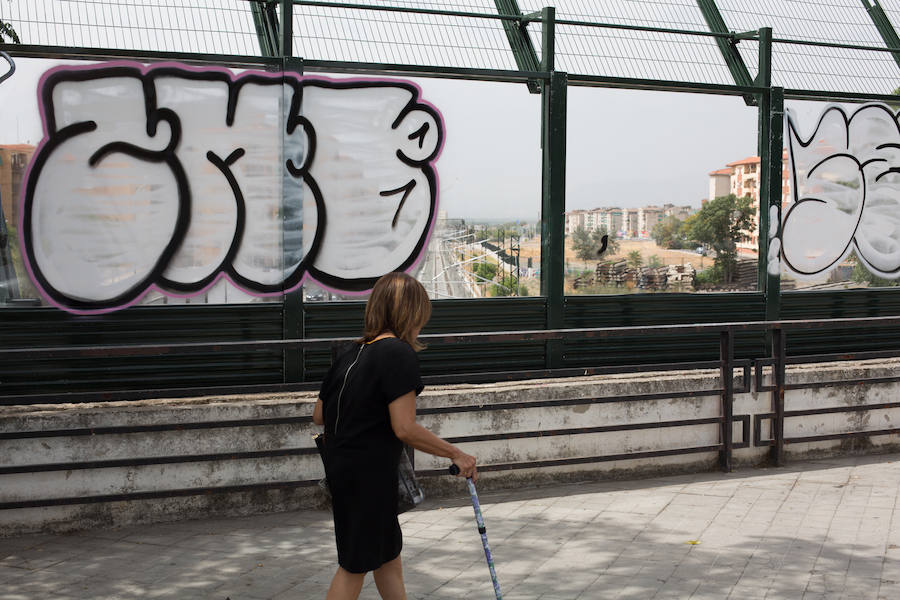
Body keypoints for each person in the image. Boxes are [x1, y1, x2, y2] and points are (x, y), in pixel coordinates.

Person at [312, 271, 478, 600]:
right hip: (370, 475)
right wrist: (456, 454)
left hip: (344, 470)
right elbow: (405, 427)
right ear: (413, 313)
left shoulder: (349, 353)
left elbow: (319, 415)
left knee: (387, 555)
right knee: (355, 565)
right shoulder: (398, 353)